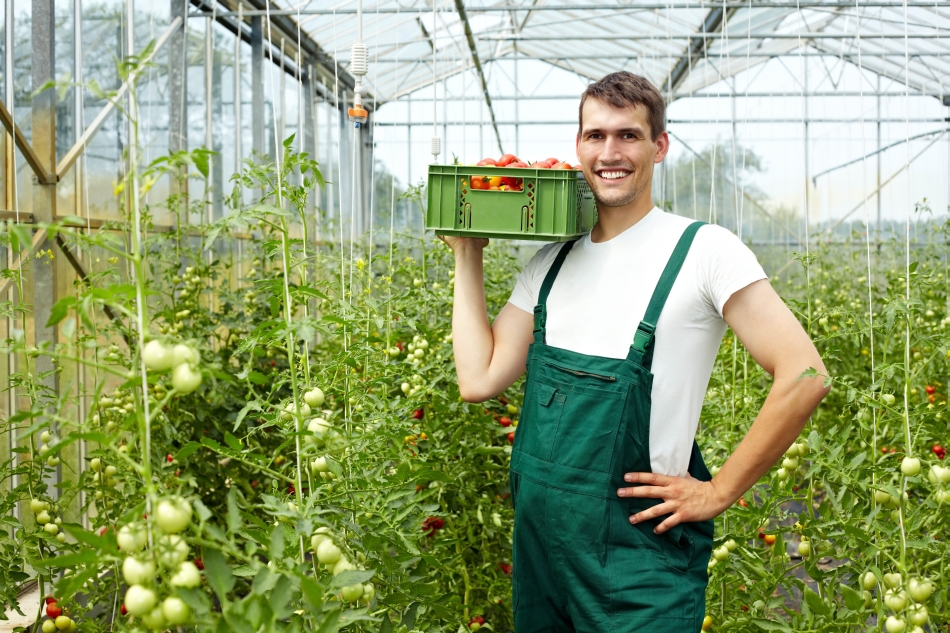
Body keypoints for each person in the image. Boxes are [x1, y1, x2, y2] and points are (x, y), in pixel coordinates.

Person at [439, 71, 829, 631]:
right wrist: (466, 252)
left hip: (638, 563)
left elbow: (806, 373)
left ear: (659, 146)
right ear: (578, 147)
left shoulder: (703, 252)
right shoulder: (549, 264)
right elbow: (478, 379)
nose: (610, 153)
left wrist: (719, 491)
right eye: (595, 136)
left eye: (628, 135)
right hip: (543, 557)